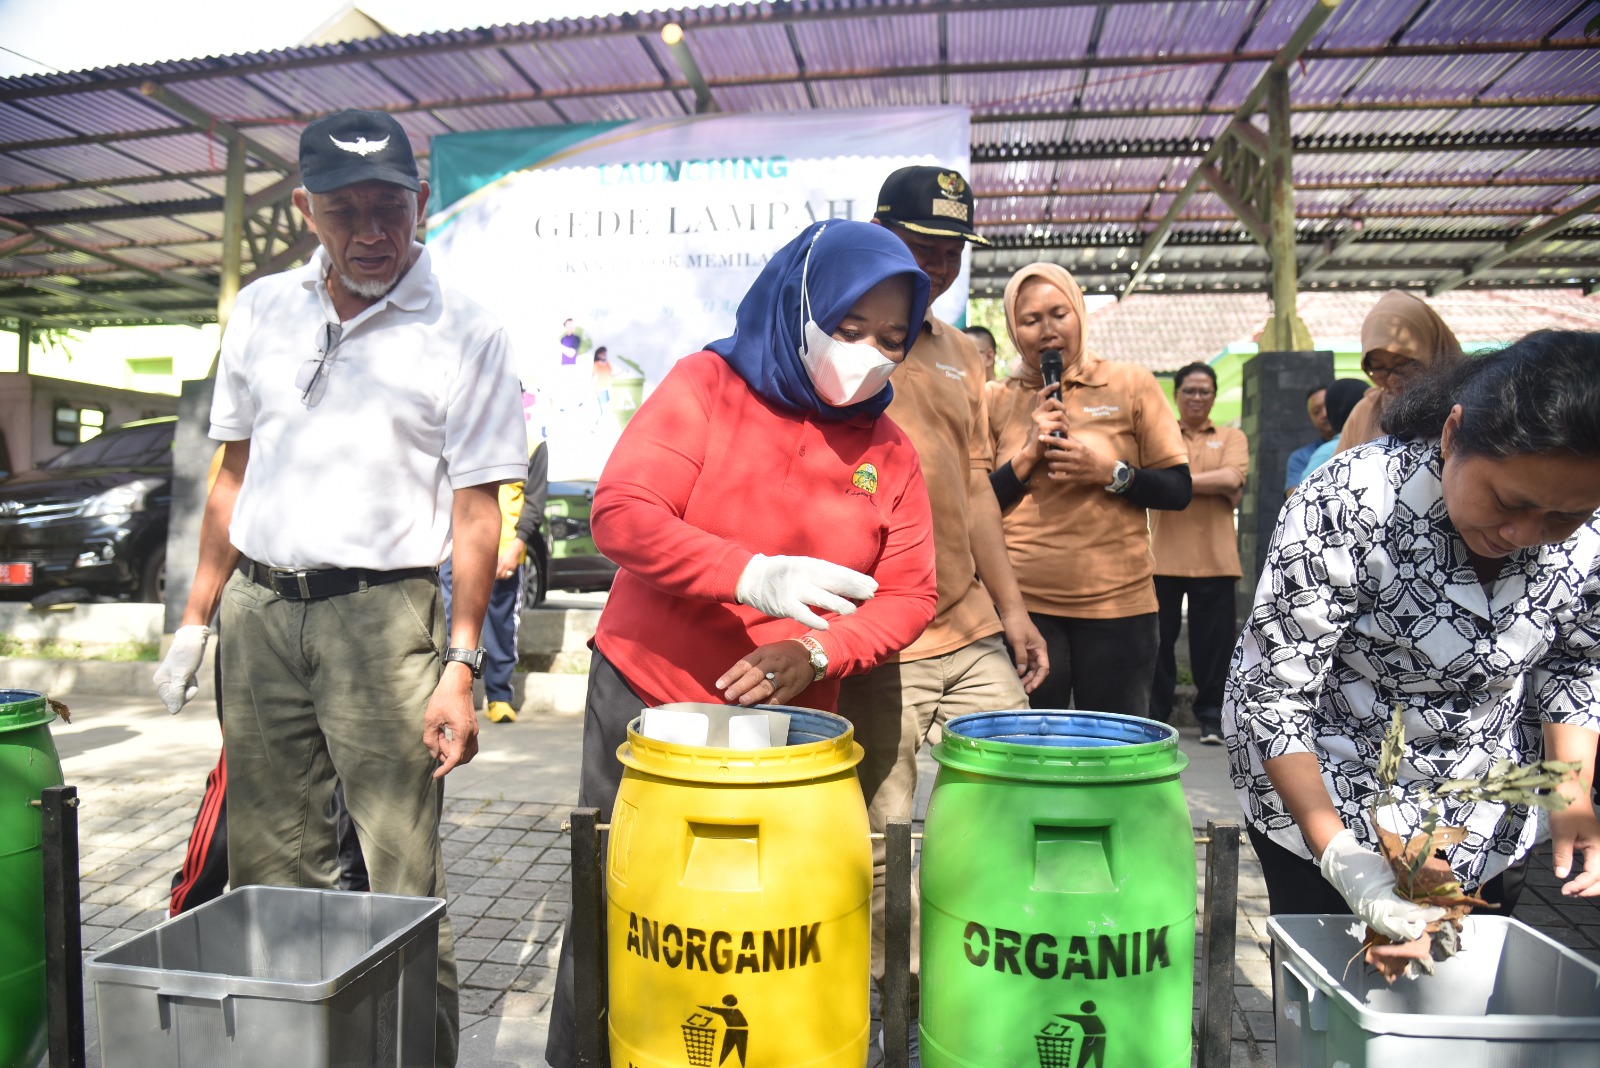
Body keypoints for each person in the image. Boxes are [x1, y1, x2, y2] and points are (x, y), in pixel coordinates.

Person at [151, 108, 526, 1067]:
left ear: (422, 202)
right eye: (346, 209)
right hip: (261, 612)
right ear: (304, 208)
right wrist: (195, 620)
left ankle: (415, 1055)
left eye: (390, 208)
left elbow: (477, 510)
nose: (371, 232)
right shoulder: (265, 310)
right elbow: (230, 474)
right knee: (276, 874)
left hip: (384, 618)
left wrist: (462, 663)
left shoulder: (466, 331)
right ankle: (299, 1052)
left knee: (401, 874)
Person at [543, 219, 938, 1067]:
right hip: (652, 696)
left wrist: (823, 652)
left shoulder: (889, 450)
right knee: (625, 890)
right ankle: (588, 1052)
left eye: (891, 340)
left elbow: (910, 592)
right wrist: (750, 574)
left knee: (760, 920)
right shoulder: (708, 386)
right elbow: (622, 513)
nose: (867, 355)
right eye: (849, 328)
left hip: (790, 733)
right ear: (799, 306)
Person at [1226, 330, 1600, 946]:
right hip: (1331, 786)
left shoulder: (1589, 535)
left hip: (1487, 801)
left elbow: (1574, 664)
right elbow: (1274, 696)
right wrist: (1343, 858)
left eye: (1564, 518)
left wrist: (1570, 790)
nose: (1526, 533)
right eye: (1508, 501)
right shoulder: (1348, 503)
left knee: (1462, 990)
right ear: (1452, 435)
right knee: (1338, 999)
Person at [836, 166, 1048, 1058]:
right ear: (880, 234)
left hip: (968, 632)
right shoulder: (845, 340)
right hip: (878, 641)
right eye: (923, 245)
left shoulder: (964, 354)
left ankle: (983, 998)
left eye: (953, 249)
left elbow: (974, 488)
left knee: (1017, 802)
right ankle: (890, 1017)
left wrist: (1015, 611)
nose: (939, 264)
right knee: (881, 843)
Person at [987, 262, 1191, 715]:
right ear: (1013, 329)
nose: (1047, 331)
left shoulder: (1131, 383)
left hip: (1120, 609)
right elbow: (974, 505)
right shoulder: (995, 398)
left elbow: (1178, 490)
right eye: (1031, 320)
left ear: (1080, 312)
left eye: (1059, 314)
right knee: (1030, 756)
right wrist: (1026, 455)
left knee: (1113, 760)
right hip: (1024, 609)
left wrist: (1109, 472)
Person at [1148, 362, 1248, 743]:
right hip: (1161, 561)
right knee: (1157, 647)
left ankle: (1210, 720)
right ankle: (1155, 721)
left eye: (1204, 391)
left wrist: (1175, 481)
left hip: (1216, 561)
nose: (1196, 398)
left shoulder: (1232, 436)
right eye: (1189, 390)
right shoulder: (1159, 434)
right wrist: (1212, 485)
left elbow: (1233, 478)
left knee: (1215, 650)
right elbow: (1150, 480)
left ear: (1214, 395)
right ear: (1175, 395)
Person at [439, 439, 548, 724]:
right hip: (456, 551)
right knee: (450, 622)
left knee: (501, 626)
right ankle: (451, 692)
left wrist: (516, 547)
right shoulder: (458, 433)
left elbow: (534, 503)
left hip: (504, 552)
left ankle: (499, 697)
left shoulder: (533, 444)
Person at [1335, 289, 1464, 453]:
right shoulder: (1366, 412)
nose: (1392, 379)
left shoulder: (1471, 405)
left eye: (1403, 364)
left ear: (1432, 350)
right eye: (1379, 368)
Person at [1299, 378, 1371, 481]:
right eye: (1316, 411)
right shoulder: (1325, 455)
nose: (1324, 414)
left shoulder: (1325, 453)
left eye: (1327, 407)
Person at [1284, 383, 1333, 494]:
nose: (1324, 414)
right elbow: (1293, 497)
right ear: (1311, 419)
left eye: (1329, 406)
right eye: (1316, 412)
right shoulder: (1301, 458)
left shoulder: (1361, 442)